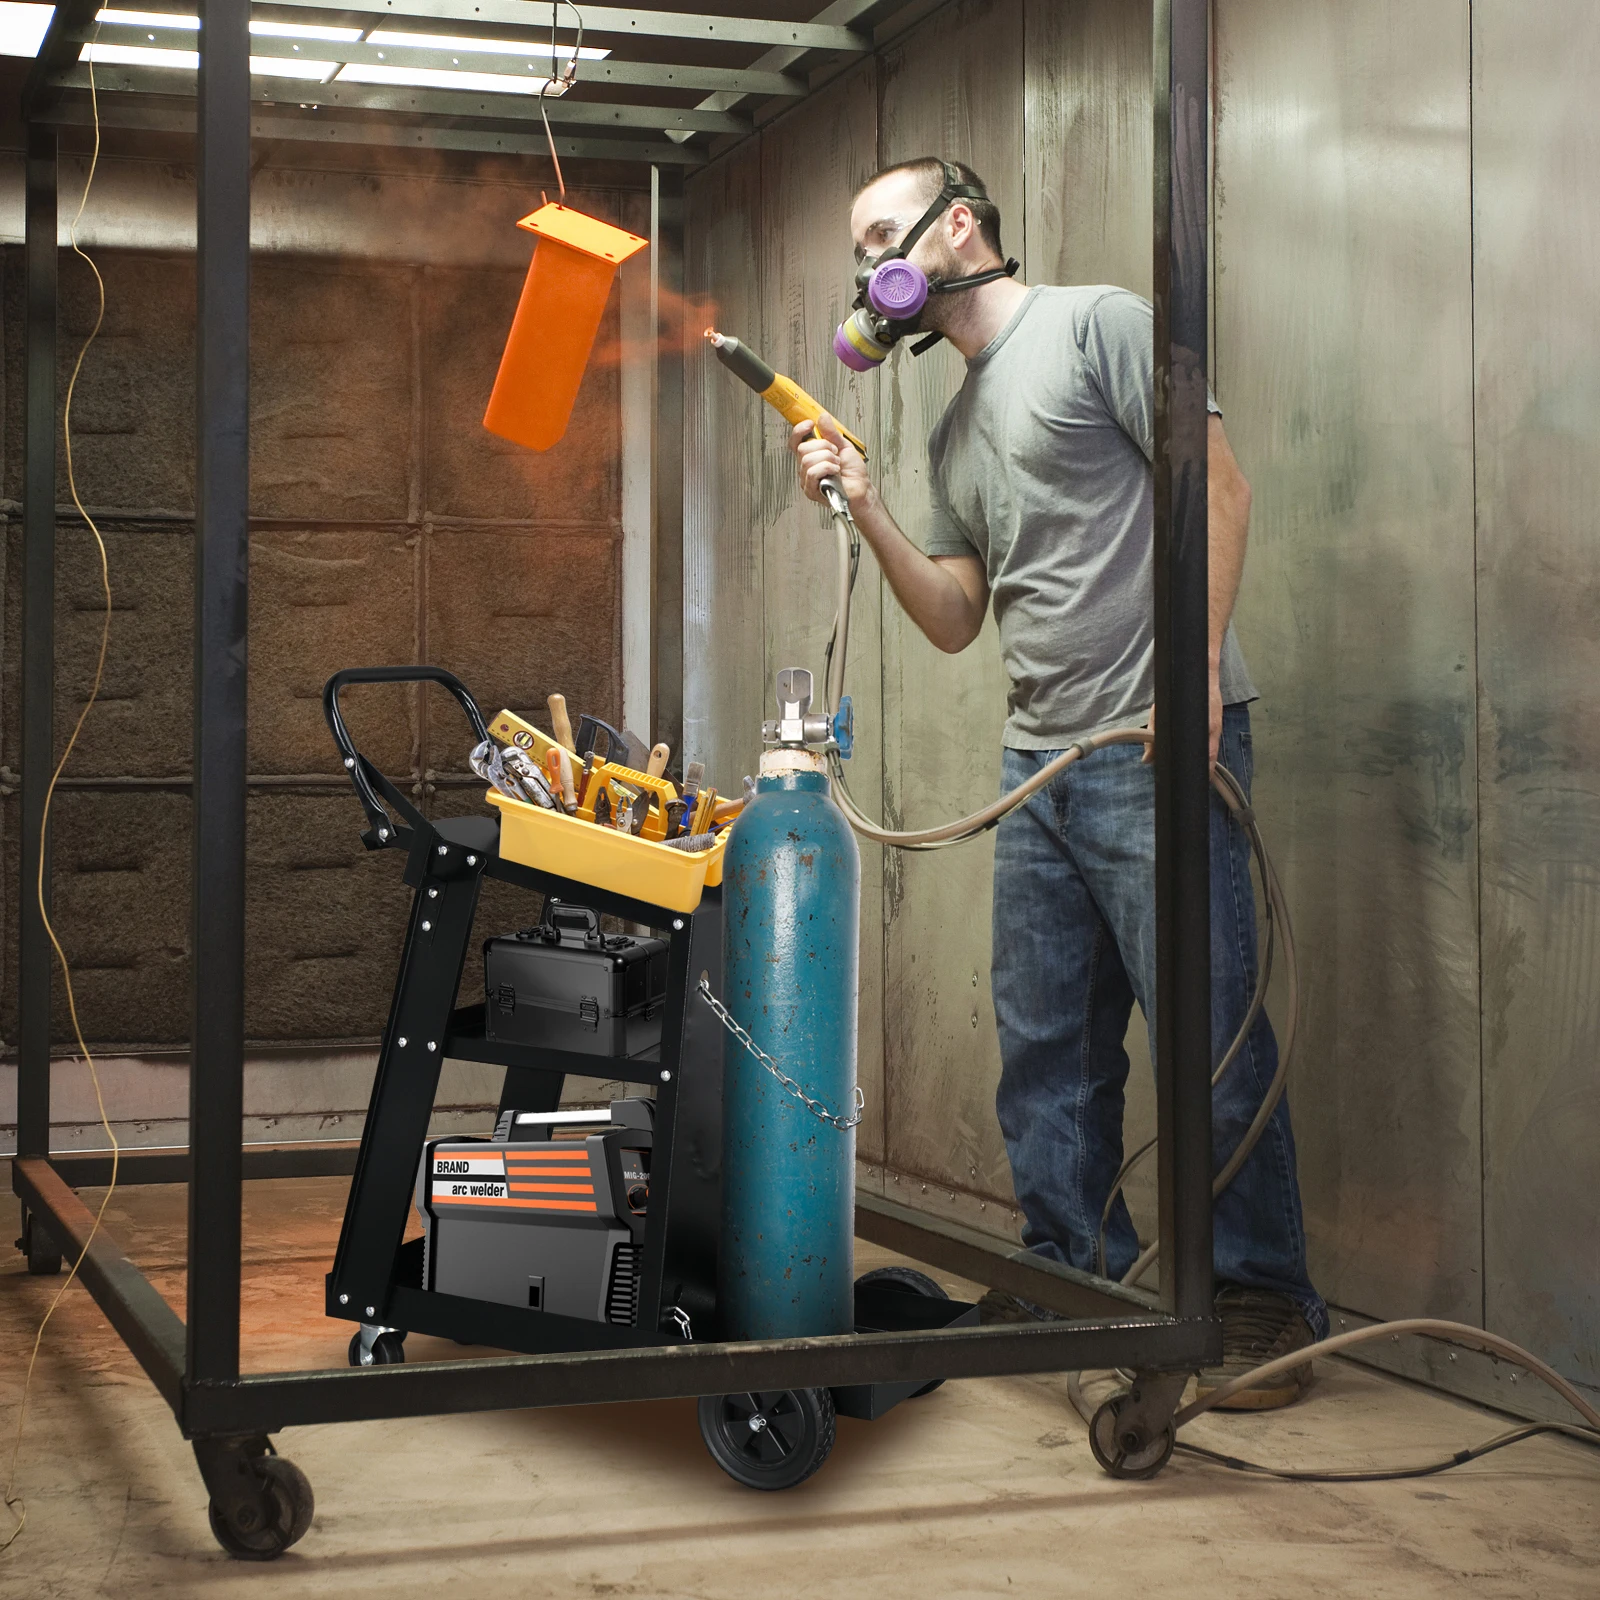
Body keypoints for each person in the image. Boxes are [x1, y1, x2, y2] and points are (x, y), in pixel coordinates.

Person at [789, 156, 1326, 1409]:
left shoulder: (1099, 324)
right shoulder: (952, 424)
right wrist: (868, 507)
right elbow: (955, 618)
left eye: (881, 236)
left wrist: (1190, 677)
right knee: (1045, 1048)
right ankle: (1069, 1271)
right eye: (859, 252)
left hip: (1153, 742)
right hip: (1040, 764)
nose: (869, 272)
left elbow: (1222, 490)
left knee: (1209, 1028)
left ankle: (1256, 1294)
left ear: (956, 226)